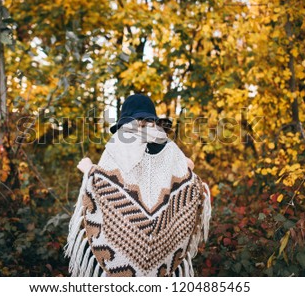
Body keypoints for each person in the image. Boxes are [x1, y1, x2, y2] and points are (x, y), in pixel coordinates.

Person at [64, 94, 211, 277]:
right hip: (163, 237)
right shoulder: (167, 145)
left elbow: (105, 184)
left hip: (124, 235)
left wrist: (89, 170)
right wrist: (186, 169)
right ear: (153, 118)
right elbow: (187, 175)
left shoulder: (119, 142)